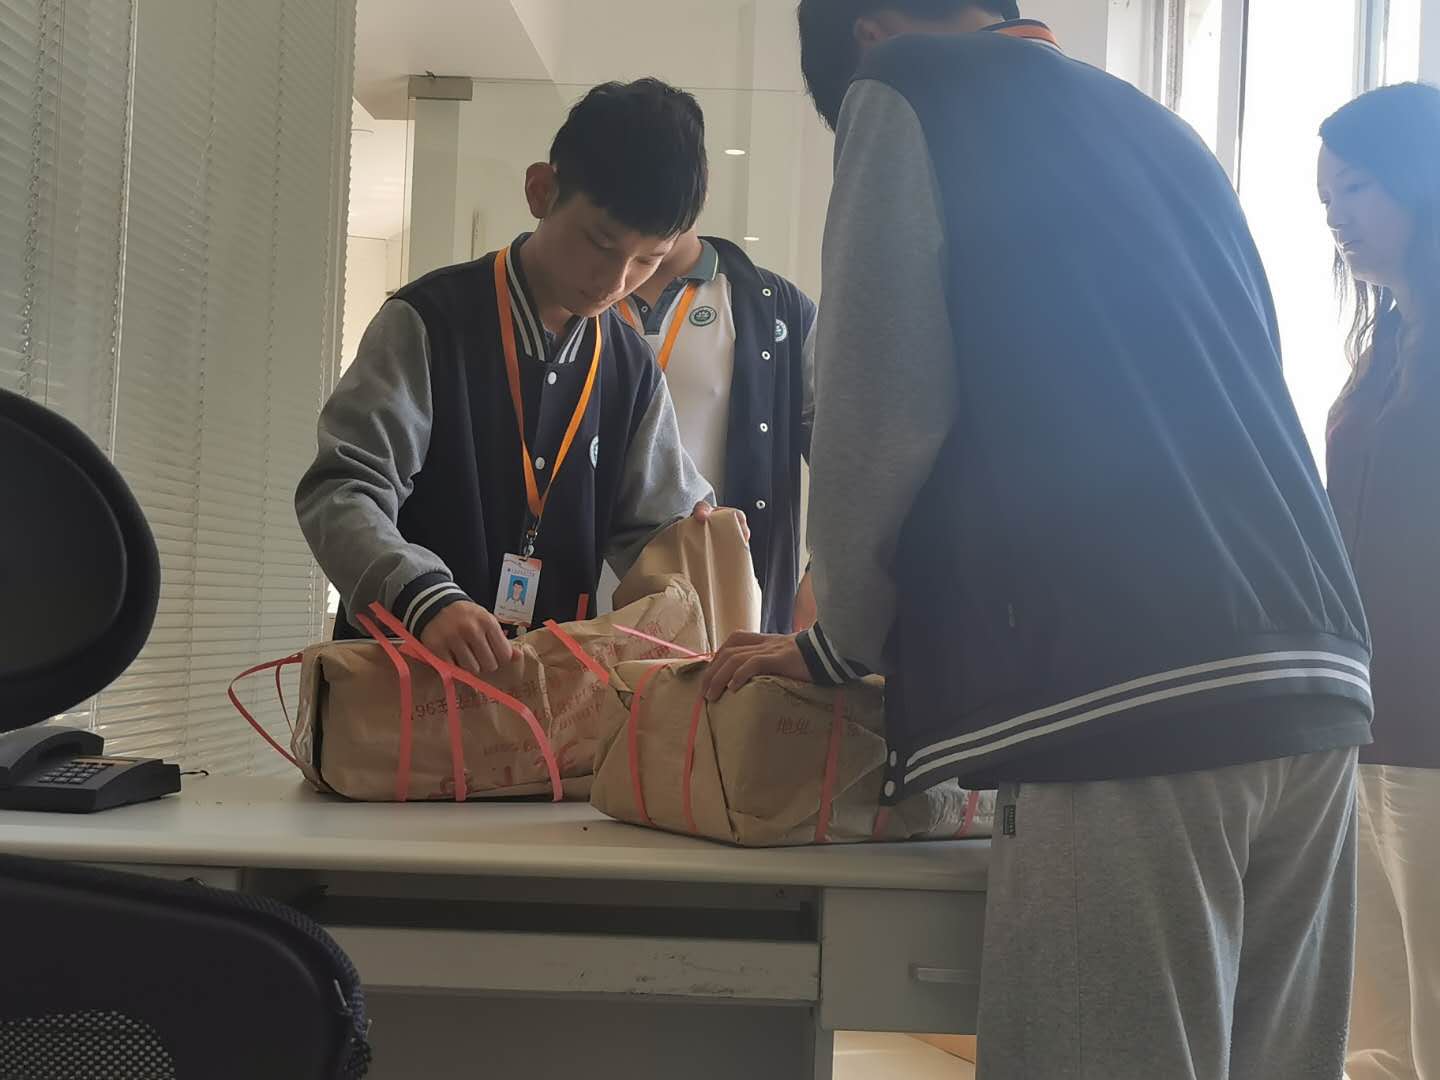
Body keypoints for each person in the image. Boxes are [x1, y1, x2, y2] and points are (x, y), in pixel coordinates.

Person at [702, 2, 1373, 1076]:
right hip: (1312, 665)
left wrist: (839, 640)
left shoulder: (911, 85)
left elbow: (879, 402)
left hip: (1127, 685)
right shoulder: (1162, 130)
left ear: (871, 34)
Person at [296, 78, 713, 674]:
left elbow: (660, 526)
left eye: (649, 259)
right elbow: (341, 490)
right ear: (542, 191)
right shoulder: (429, 321)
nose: (615, 280)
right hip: (402, 685)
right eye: (600, 243)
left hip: (546, 698)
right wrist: (422, 596)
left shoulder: (631, 368)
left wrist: (702, 534)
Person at [1320, 83, 1440, 1080]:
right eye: (1328, 201)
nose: (1339, 217)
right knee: (1375, 1026)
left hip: (1433, 718)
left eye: (1356, 187)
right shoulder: (1387, 344)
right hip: (1366, 713)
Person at [614, 227, 817, 633]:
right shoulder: (578, 296)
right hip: (587, 603)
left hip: (726, 607)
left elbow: (849, 460)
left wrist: (825, 572)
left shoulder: (780, 308)